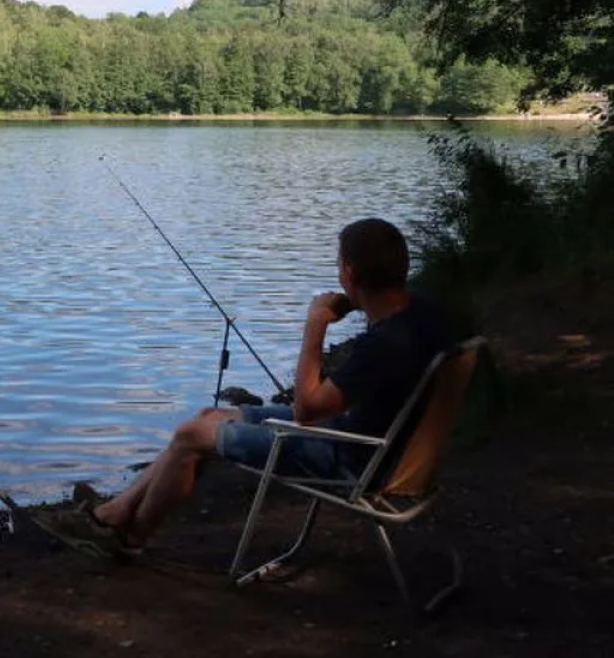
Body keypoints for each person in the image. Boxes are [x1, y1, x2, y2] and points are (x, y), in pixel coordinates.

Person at [63, 218, 450, 554]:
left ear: (348, 274)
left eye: (338, 266)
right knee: (210, 415)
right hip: (375, 443)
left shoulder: (383, 346)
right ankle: (113, 515)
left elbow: (306, 410)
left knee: (190, 435)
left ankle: (128, 538)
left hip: (352, 460)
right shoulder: (424, 313)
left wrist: (315, 325)